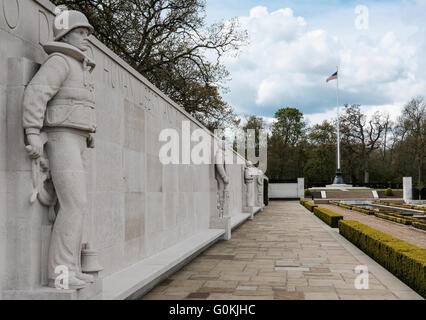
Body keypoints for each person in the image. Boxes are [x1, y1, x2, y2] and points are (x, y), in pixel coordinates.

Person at [23, 10, 97, 289]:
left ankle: (71, 269)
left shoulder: (79, 65)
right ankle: (60, 273)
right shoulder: (60, 61)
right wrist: (32, 131)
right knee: (74, 205)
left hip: (76, 139)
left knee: (76, 206)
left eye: (87, 33)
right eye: (81, 32)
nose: (86, 38)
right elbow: (35, 94)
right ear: (65, 34)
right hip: (61, 137)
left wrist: (89, 135)